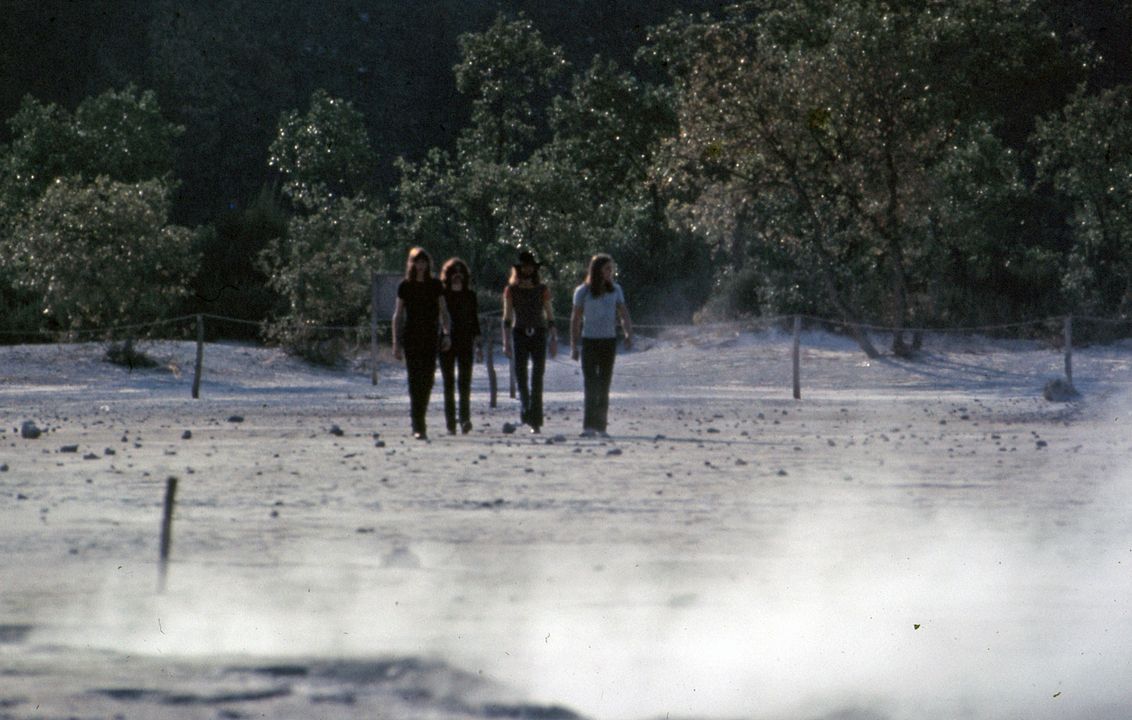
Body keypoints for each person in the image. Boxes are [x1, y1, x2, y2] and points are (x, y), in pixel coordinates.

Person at [570, 253, 632, 438]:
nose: (610, 272)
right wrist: (574, 345)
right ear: (597, 270)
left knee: (604, 383)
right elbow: (576, 318)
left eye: (611, 269)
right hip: (589, 341)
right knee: (591, 383)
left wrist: (628, 333)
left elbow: (623, 314)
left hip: (609, 341)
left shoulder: (616, 290)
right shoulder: (582, 291)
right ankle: (589, 425)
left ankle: (601, 426)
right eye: (607, 269)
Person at [391, 247, 451, 440]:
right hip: (411, 336)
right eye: (417, 261)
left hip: (430, 336)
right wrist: (395, 342)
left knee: (428, 379)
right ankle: (418, 424)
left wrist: (447, 333)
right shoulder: (405, 286)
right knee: (414, 379)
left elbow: (444, 312)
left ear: (428, 264)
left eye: (424, 262)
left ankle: (420, 415)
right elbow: (398, 315)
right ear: (412, 263)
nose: (421, 265)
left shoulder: (435, 285)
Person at [502, 249, 557, 433]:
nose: (527, 270)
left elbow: (549, 314)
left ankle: (536, 420)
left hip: (539, 332)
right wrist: (506, 341)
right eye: (524, 267)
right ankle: (526, 408)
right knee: (521, 374)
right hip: (519, 333)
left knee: (537, 377)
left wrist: (553, 338)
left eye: (530, 267)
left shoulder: (542, 289)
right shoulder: (511, 290)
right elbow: (507, 316)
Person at [438, 257, 482, 435]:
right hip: (446, 342)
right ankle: (450, 423)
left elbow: (475, 320)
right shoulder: (442, 295)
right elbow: (439, 318)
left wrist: (478, 344)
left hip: (466, 342)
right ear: (448, 276)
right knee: (448, 383)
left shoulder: (470, 296)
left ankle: (465, 419)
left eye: (460, 274)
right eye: (453, 274)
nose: (457, 277)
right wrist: (444, 335)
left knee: (465, 383)